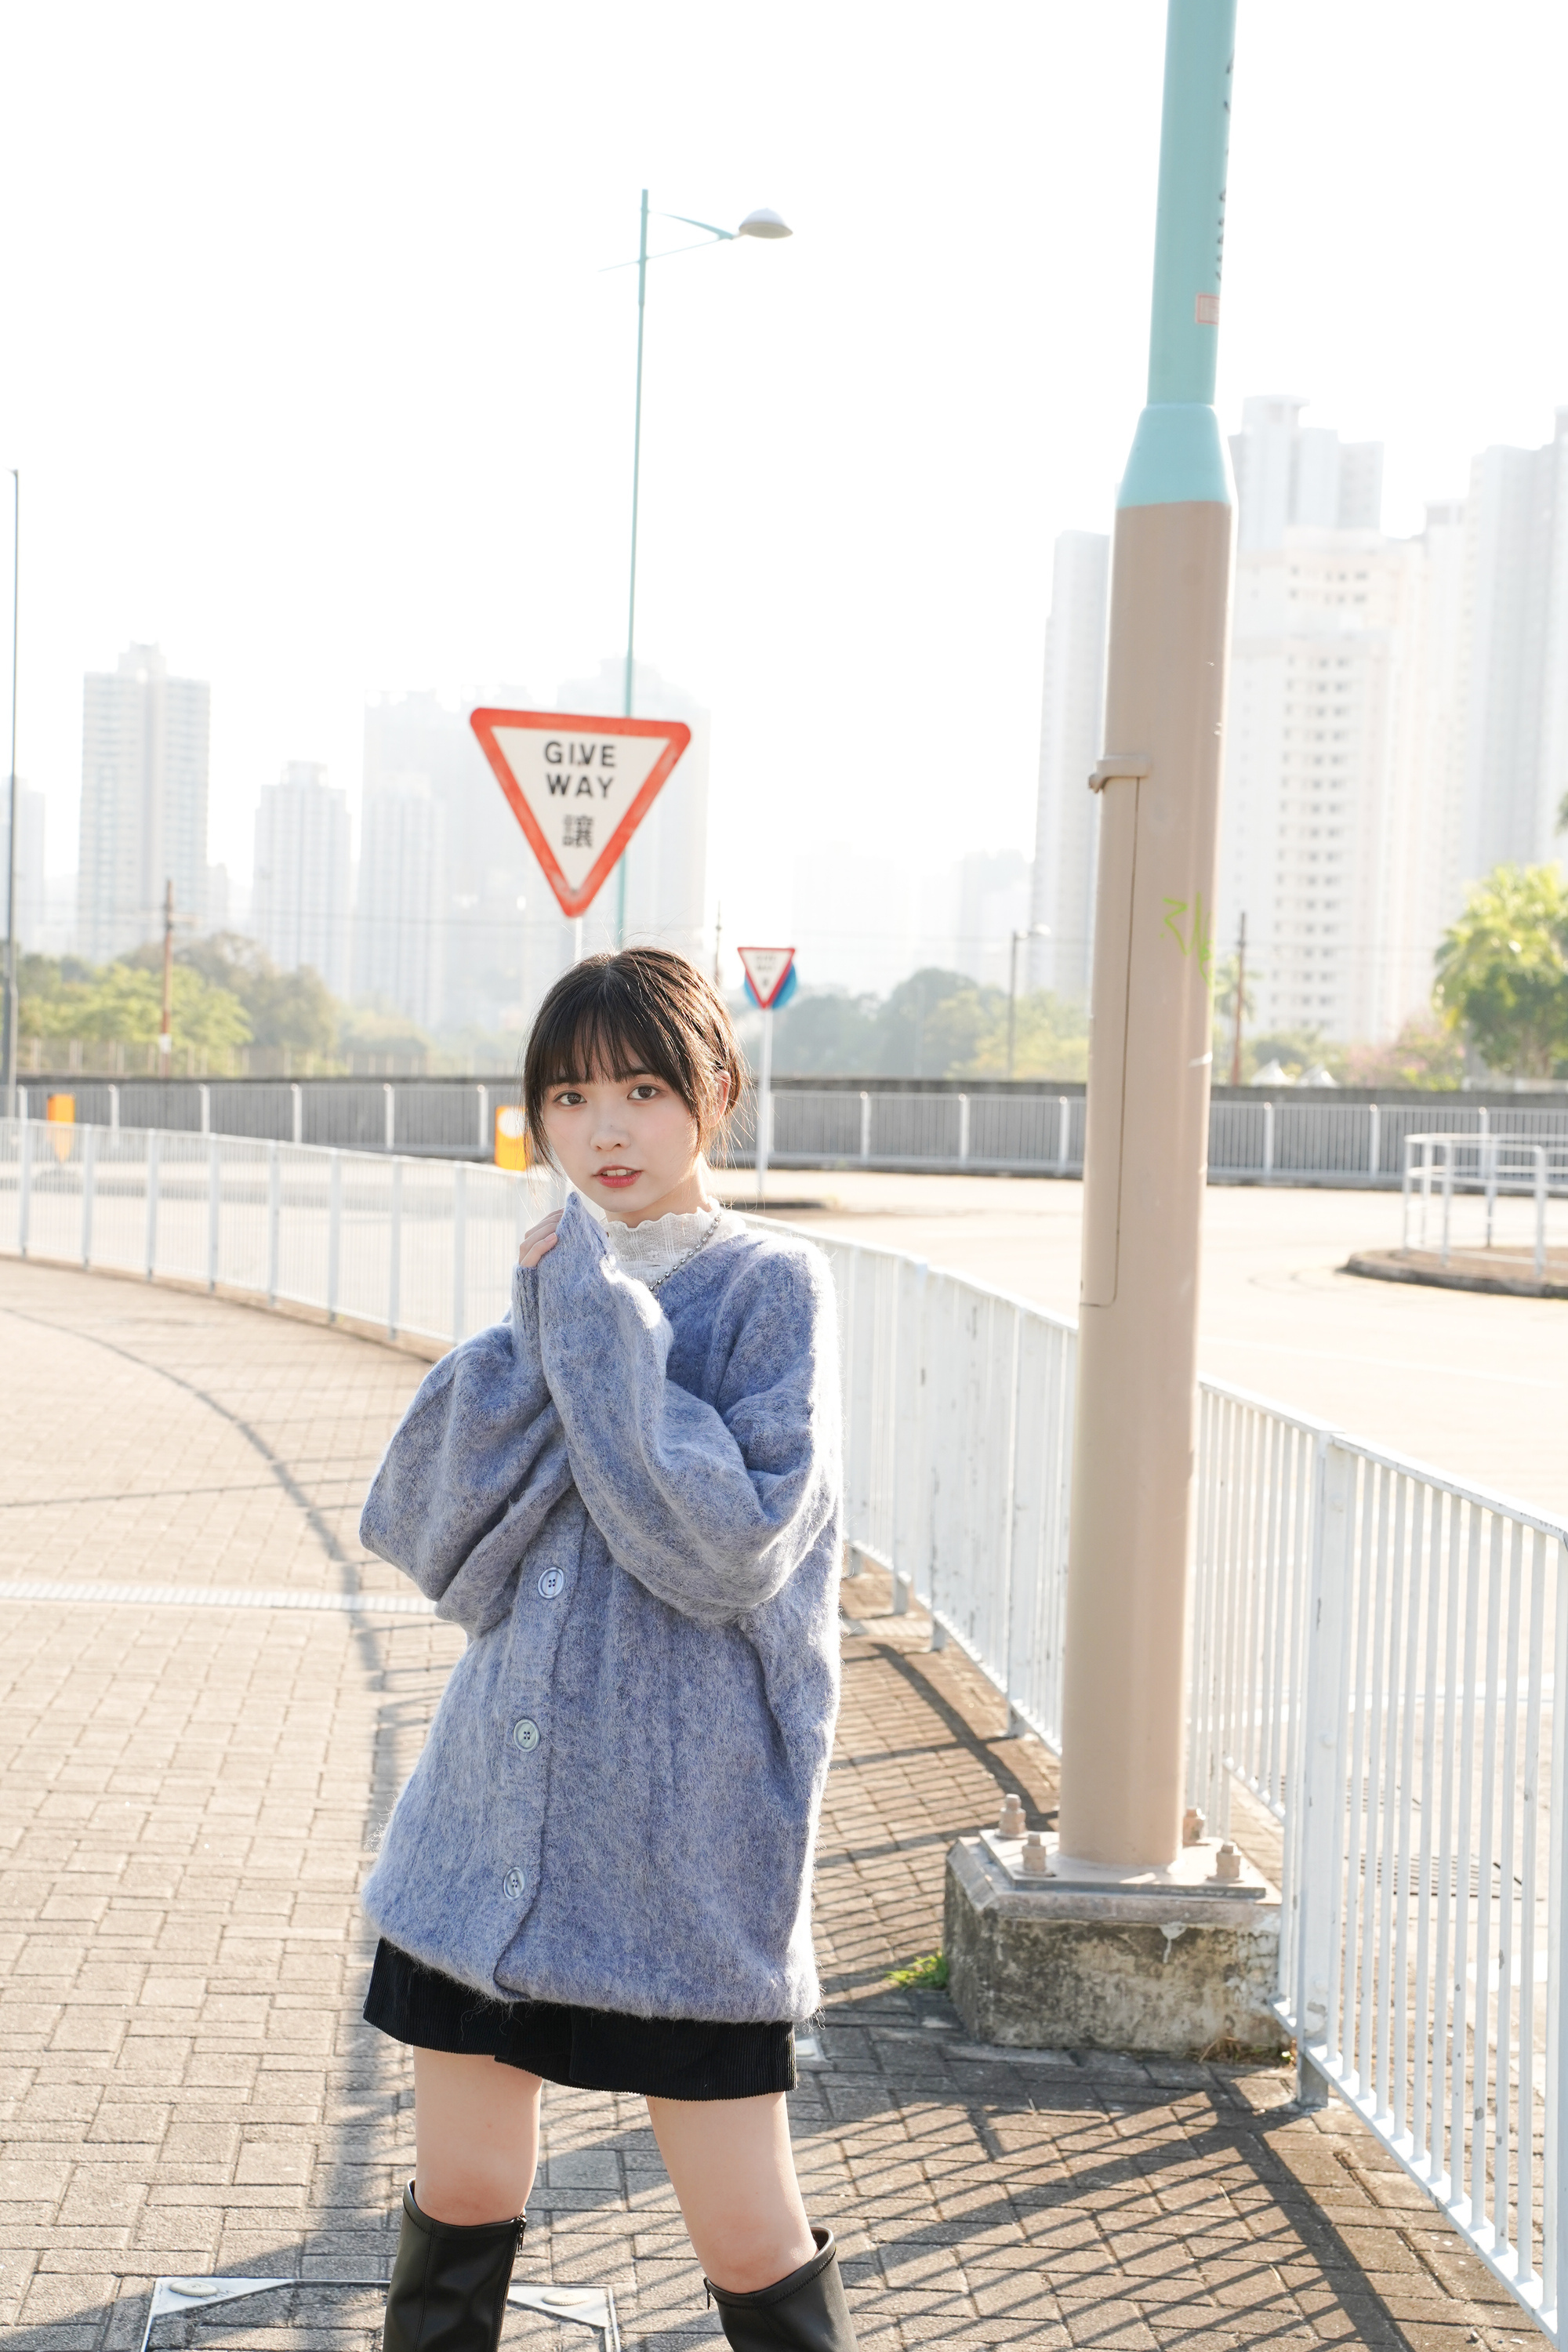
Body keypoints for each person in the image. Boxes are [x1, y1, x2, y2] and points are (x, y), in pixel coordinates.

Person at [357, 947, 857, 2352]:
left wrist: (599, 1327)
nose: (606, 1128)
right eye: (570, 1097)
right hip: (489, 1830)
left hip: (683, 1848)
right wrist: (534, 1339)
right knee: (462, 2191)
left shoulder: (772, 1284)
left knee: (746, 2229)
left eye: (642, 1088)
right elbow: (441, 1541)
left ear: (714, 1092)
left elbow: (726, 1553)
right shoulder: (556, 1276)